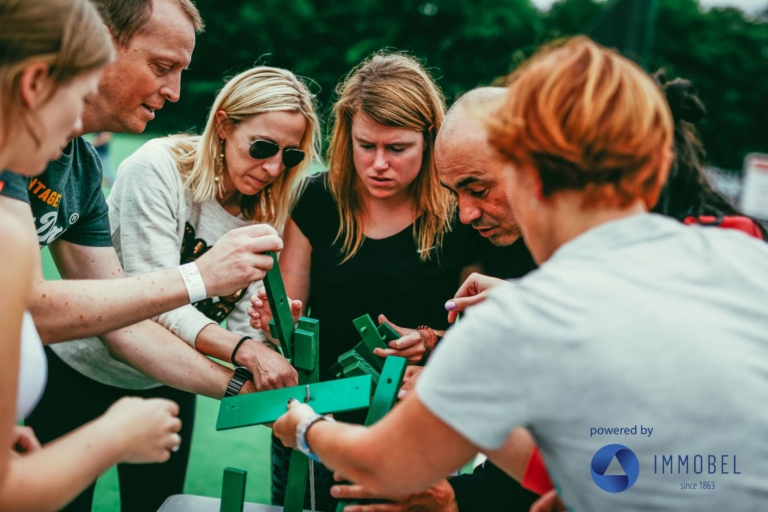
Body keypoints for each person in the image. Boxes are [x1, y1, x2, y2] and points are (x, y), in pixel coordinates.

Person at [272, 37, 768, 511]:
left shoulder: (524, 318)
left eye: (476, 187)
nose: (465, 214)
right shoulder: (743, 257)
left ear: (532, 172)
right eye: (456, 192)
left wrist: (304, 427)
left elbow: (385, 463)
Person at [0, 1, 284, 510]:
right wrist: (199, 277)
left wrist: (241, 389)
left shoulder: (81, 168)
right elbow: (26, 306)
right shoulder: (15, 180)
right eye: (161, 66)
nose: (174, 92)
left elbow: (116, 317)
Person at [250, 52, 496, 511]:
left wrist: (431, 340)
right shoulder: (315, 198)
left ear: (430, 139)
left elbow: (481, 335)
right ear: (347, 135)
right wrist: (275, 321)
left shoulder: (461, 212)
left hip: (418, 426)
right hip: (316, 418)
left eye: (398, 148)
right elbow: (290, 322)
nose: (379, 164)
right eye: (367, 145)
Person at [63, 65, 320, 502]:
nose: (274, 167)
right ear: (223, 124)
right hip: (81, 368)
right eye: (262, 147)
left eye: (291, 156)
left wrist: (268, 331)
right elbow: (153, 300)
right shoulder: (157, 168)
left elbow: (237, 324)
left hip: (169, 375)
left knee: (158, 505)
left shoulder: (271, 209)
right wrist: (246, 350)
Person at [0, 1, 181, 510]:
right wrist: (117, 435)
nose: (80, 125)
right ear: (35, 83)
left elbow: (116, 313)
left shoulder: (75, 172)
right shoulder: (6, 221)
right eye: (78, 97)